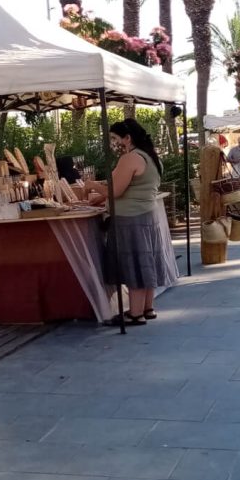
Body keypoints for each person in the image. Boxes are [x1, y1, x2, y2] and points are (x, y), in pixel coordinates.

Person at [84, 119, 170, 325]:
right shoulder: (150, 156)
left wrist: (92, 185)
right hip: (147, 216)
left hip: (130, 219)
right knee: (145, 263)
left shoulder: (130, 158)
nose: (113, 143)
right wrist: (102, 197)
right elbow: (132, 187)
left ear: (128, 138)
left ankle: (135, 313)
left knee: (134, 265)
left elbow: (117, 190)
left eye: (115, 138)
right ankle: (147, 308)